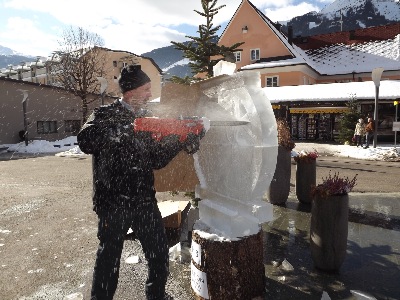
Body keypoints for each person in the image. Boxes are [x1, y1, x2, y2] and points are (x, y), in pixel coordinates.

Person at [78, 64, 204, 300]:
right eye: (145, 89)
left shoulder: (147, 119)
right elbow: (85, 140)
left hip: (144, 199)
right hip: (112, 201)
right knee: (109, 260)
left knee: (158, 255)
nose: (149, 94)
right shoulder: (104, 114)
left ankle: (156, 296)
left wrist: (180, 141)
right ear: (130, 91)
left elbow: (156, 159)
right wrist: (125, 130)